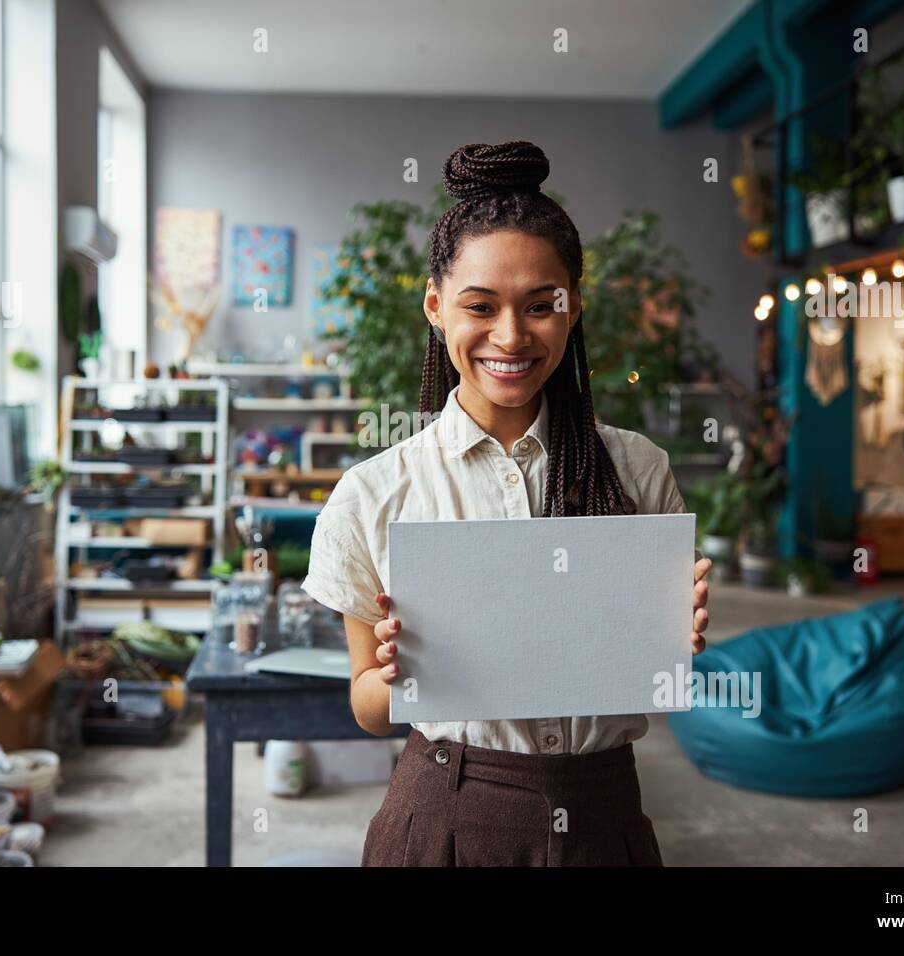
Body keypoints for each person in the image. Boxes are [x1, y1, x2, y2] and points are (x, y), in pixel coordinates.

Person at [301, 140, 712, 866]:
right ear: (435, 306)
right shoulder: (373, 495)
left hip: (604, 815)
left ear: (573, 305)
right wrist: (394, 675)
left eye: (541, 305)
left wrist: (672, 643)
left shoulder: (638, 471)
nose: (511, 336)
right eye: (480, 307)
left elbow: (653, 684)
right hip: (446, 819)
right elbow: (365, 706)